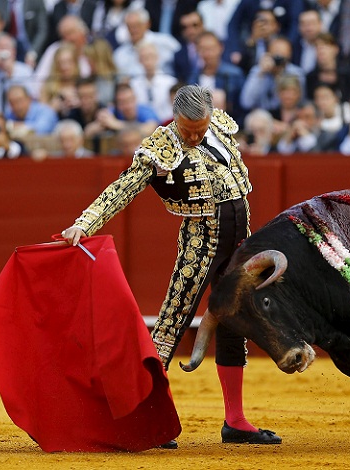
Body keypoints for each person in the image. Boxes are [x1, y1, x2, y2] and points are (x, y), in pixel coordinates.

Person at [59, 84, 282, 446]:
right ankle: (146, 417)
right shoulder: (160, 147)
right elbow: (122, 189)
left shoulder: (222, 129)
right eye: (186, 129)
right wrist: (85, 223)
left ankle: (236, 421)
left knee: (233, 324)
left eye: (200, 128)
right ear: (174, 117)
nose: (194, 136)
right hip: (201, 243)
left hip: (239, 244)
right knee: (170, 326)